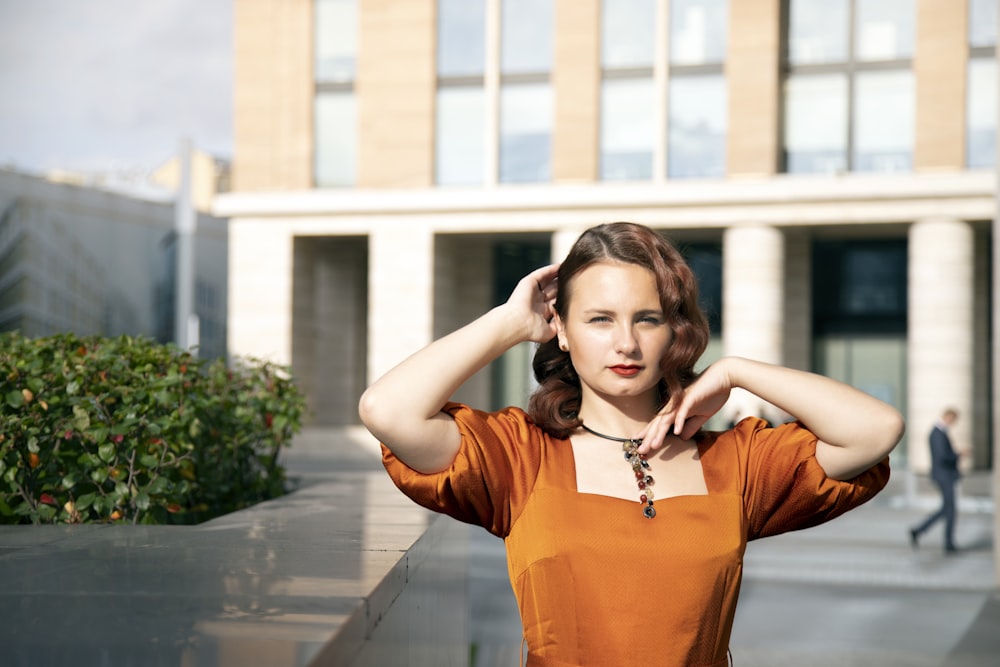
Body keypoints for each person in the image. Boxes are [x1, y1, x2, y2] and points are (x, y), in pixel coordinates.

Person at [359, 222, 904, 666]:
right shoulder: (519, 456)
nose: (626, 343)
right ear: (562, 331)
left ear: (675, 332)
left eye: (648, 319)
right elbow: (387, 410)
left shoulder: (737, 459)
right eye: (600, 319)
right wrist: (509, 322)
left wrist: (737, 372)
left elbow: (875, 431)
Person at [909, 408, 964, 553]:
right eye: (953, 420)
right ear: (947, 416)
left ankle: (919, 531)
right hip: (943, 475)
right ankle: (948, 543)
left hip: (944, 475)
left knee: (946, 509)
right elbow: (942, 456)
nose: (953, 423)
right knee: (950, 510)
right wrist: (958, 455)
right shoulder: (937, 433)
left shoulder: (939, 432)